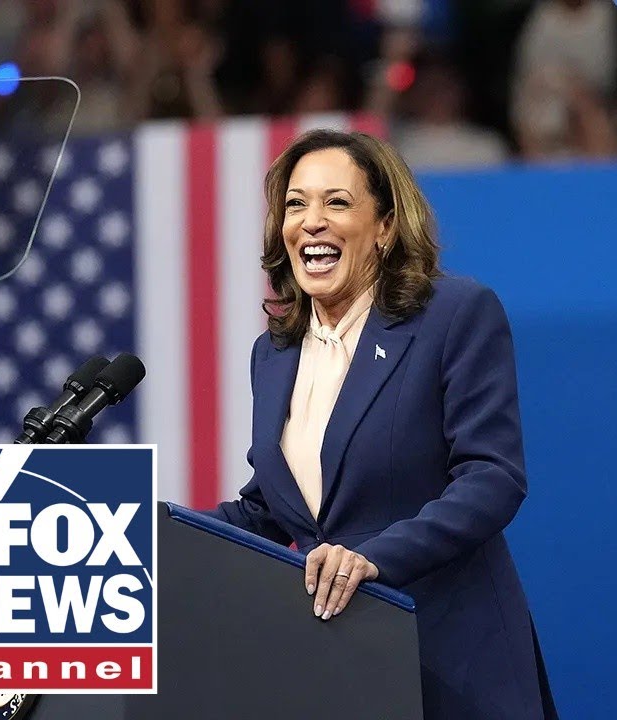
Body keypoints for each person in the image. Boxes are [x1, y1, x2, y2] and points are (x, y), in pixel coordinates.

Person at [210, 129, 556, 720]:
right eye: (296, 204)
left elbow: (493, 477)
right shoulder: (274, 353)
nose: (311, 221)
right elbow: (271, 506)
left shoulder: (453, 315)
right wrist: (145, 534)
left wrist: (372, 557)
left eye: (336, 202)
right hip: (343, 670)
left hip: (453, 664)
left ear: (386, 227)